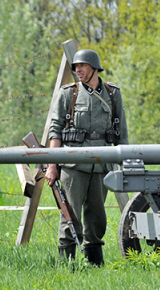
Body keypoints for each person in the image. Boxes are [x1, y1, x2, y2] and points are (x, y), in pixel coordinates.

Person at [45, 49, 128, 266]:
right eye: (75, 67)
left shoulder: (112, 93)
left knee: (97, 218)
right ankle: (67, 266)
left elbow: (122, 134)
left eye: (82, 66)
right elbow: (55, 131)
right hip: (73, 166)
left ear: (94, 68)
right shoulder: (69, 93)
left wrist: (125, 163)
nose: (78, 70)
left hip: (101, 166)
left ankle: (95, 265)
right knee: (70, 215)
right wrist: (52, 165)